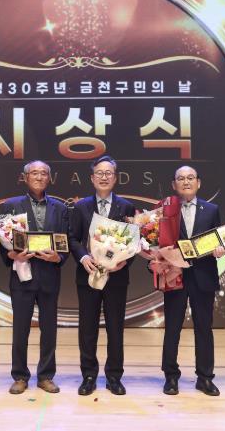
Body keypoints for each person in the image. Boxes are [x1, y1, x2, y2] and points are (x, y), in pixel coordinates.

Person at [150, 166, 225, 396]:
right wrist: (156, 259)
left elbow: (218, 239)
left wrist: (220, 249)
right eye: (181, 178)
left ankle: (205, 377)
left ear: (198, 183)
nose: (186, 182)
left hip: (203, 276)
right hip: (174, 276)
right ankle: (171, 376)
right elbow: (154, 241)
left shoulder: (212, 209)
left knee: (204, 328)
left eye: (190, 178)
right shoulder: (165, 210)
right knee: (172, 328)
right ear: (174, 184)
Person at [69, 155, 136, 396]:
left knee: (115, 328)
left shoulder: (126, 207)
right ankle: (88, 375)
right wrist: (83, 258)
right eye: (100, 173)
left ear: (115, 178)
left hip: (117, 278)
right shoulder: (81, 207)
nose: (104, 177)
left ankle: (114, 376)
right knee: (87, 328)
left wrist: (123, 262)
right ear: (92, 178)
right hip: (88, 275)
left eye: (108, 173)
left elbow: (133, 242)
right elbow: (73, 238)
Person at [2, 160, 69, 395]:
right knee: (20, 329)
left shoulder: (60, 208)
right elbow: (2, 241)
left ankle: (46, 376)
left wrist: (59, 258)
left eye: (43, 173)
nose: (39, 177)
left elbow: (65, 241)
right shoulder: (11, 206)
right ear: (25, 177)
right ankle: (20, 376)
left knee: (49, 329)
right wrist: (11, 254)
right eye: (34, 173)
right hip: (23, 275)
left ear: (49, 178)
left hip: (49, 275)